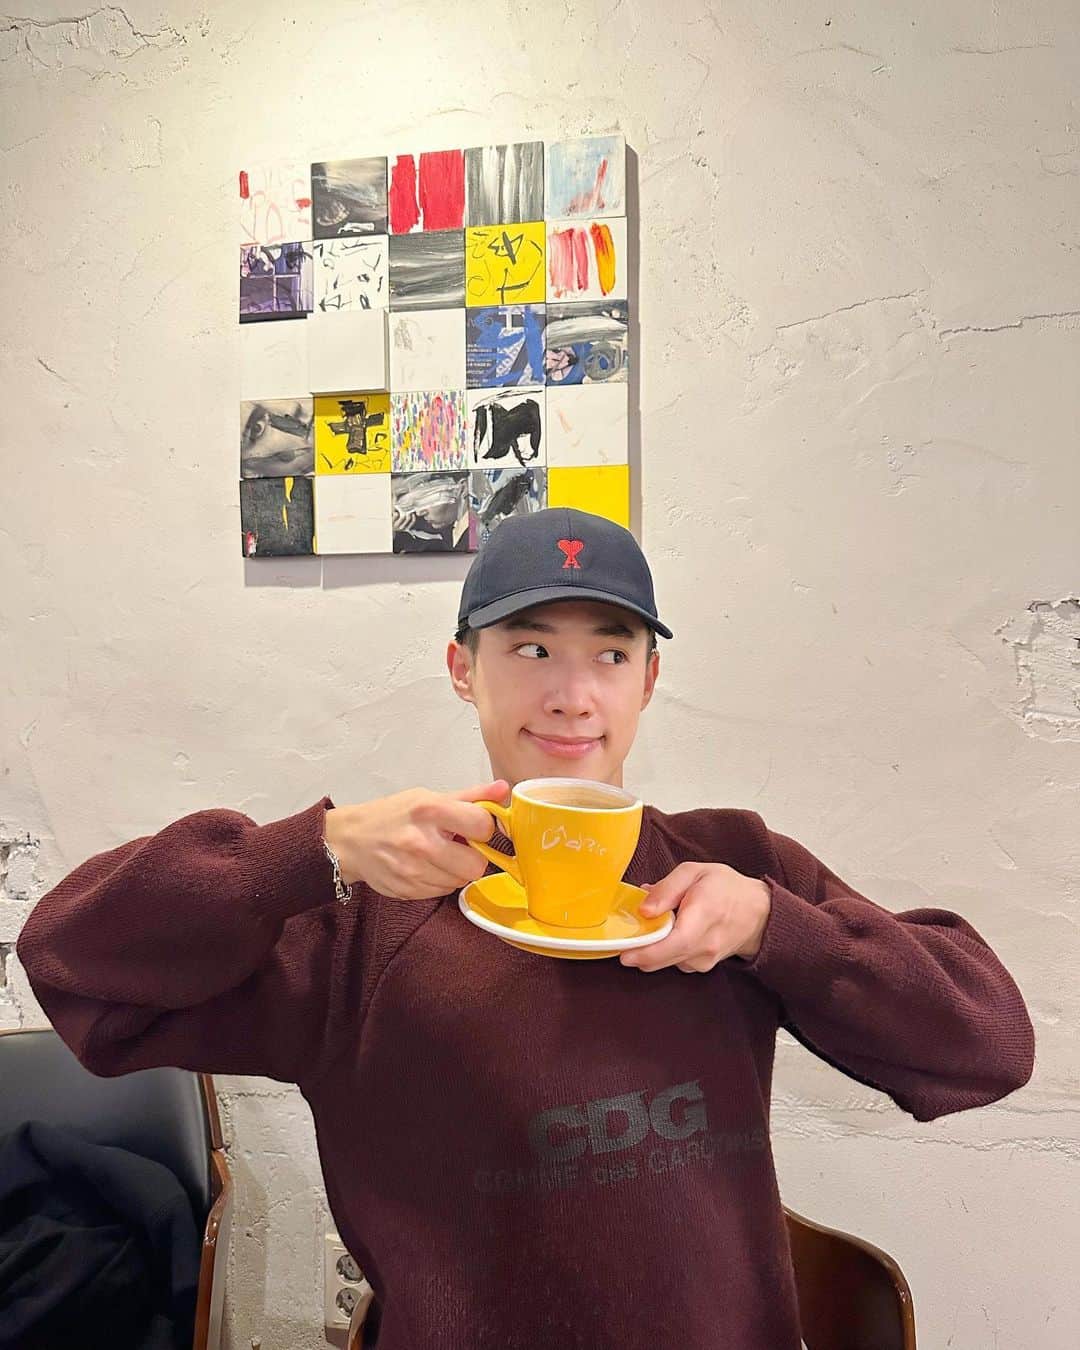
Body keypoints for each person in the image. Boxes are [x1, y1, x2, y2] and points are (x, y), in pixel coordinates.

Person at [16, 507, 1036, 1350]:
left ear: (648, 680)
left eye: (611, 652)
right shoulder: (368, 910)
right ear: (463, 668)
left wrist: (779, 928)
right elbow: (72, 964)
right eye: (532, 647)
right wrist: (314, 848)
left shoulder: (733, 872)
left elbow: (987, 1044)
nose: (572, 695)